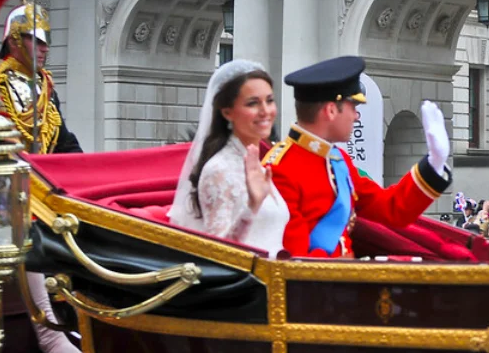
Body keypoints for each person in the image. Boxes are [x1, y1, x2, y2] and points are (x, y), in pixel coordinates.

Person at [0, 0, 82, 353]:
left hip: (19, 176)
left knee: (39, 214)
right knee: (5, 220)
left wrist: (79, 171)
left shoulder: (31, 81)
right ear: (15, 40)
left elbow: (59, 137)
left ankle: (55, 324)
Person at [266, 56, 451, 258]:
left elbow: (391, 208)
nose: (356, 116)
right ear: (331, 110)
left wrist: (434, 164)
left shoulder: (337, 160)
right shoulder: (279, 170)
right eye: (353, 107)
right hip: (325, 277)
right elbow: (296, 263)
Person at [170, 59, 289, 256]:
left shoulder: (255, 164)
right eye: (253, 103)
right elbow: (219, 252)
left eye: (269, 100)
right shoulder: (219, 169)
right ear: (227, 112)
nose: (265, 111)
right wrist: (251, 208)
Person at [0, 0, 81, 153]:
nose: (45, 48)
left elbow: (63, 142)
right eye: (37, 41)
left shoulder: (46, 86)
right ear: (13, 41)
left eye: (45, 41)